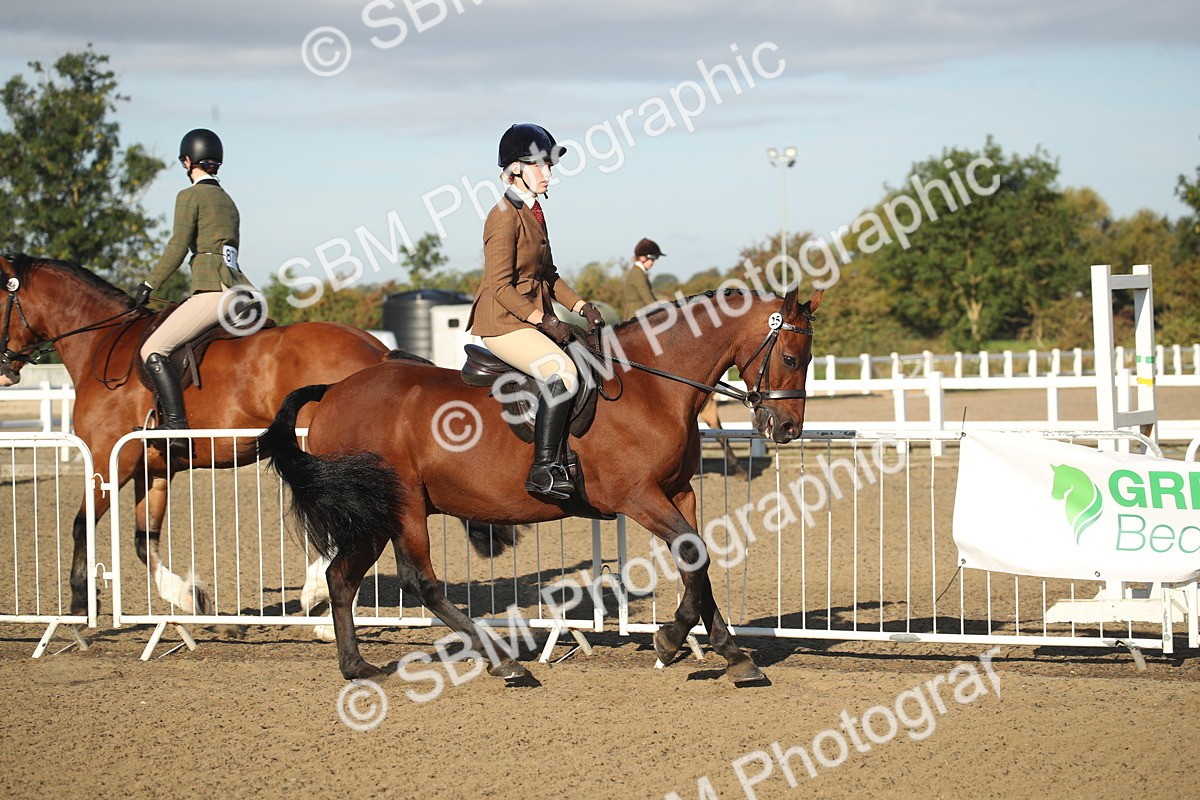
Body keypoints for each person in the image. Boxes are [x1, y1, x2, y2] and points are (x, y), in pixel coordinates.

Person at [466, 123, 605, 500]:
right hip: (503, 323)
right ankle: (543, 470)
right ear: (515, 169)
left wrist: (581, 307)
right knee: (562, 371)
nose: (548, 174)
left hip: (529, 319)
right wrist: (544, 320)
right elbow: (500, 287)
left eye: (549, 166)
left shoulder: (534, 212)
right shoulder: (502, 216)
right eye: (540, 165)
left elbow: (549, 274)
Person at [133, 128, 255, 447]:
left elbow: (177, 247)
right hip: (242, 290)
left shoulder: (189, 196)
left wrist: (149, 284)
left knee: (153, 349)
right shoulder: (227, 200)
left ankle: (175, 426)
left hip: (214, 290)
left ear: (187, 161)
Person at [622, 237, 665, 319]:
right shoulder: (637, 274)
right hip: (636, 316)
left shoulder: (639, 272)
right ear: (642, 258)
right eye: (653, 259)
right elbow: (649, 300)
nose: (654, 263)